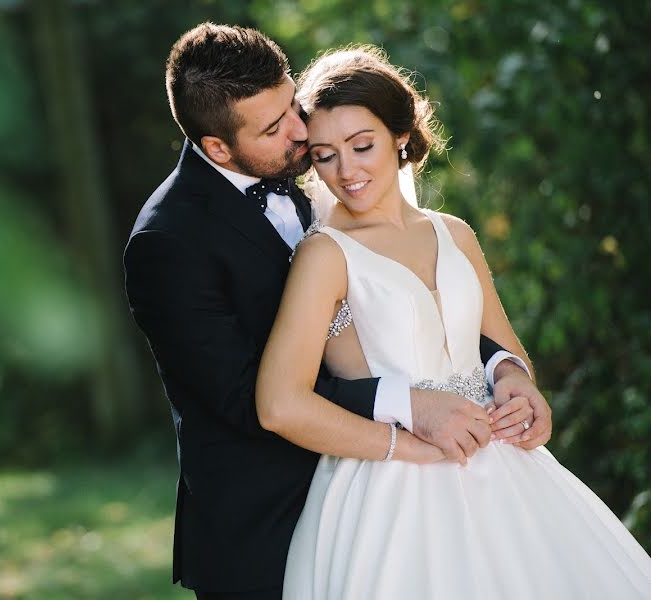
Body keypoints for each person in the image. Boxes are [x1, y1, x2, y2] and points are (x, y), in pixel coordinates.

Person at [124, 23, 549, 599]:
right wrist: (407, 404)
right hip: (267, 516)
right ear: (217, 147)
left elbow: (429, 312)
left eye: (292, 104)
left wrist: (508, 373)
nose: (303, 134)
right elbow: (248, 401)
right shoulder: (168, 242)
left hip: (444, 469)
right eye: (276, 128)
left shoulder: (318, 173)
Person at [256, 44, 651, 598]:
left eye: (362, 145)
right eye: (324, 155)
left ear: (400, 136)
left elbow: (503, 349)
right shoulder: (325, 255)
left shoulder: (454, 232)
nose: (346, 171)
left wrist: (517, 385)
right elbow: (280, 404)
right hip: (393, 489)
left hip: (505, 471)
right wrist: (409, 445)